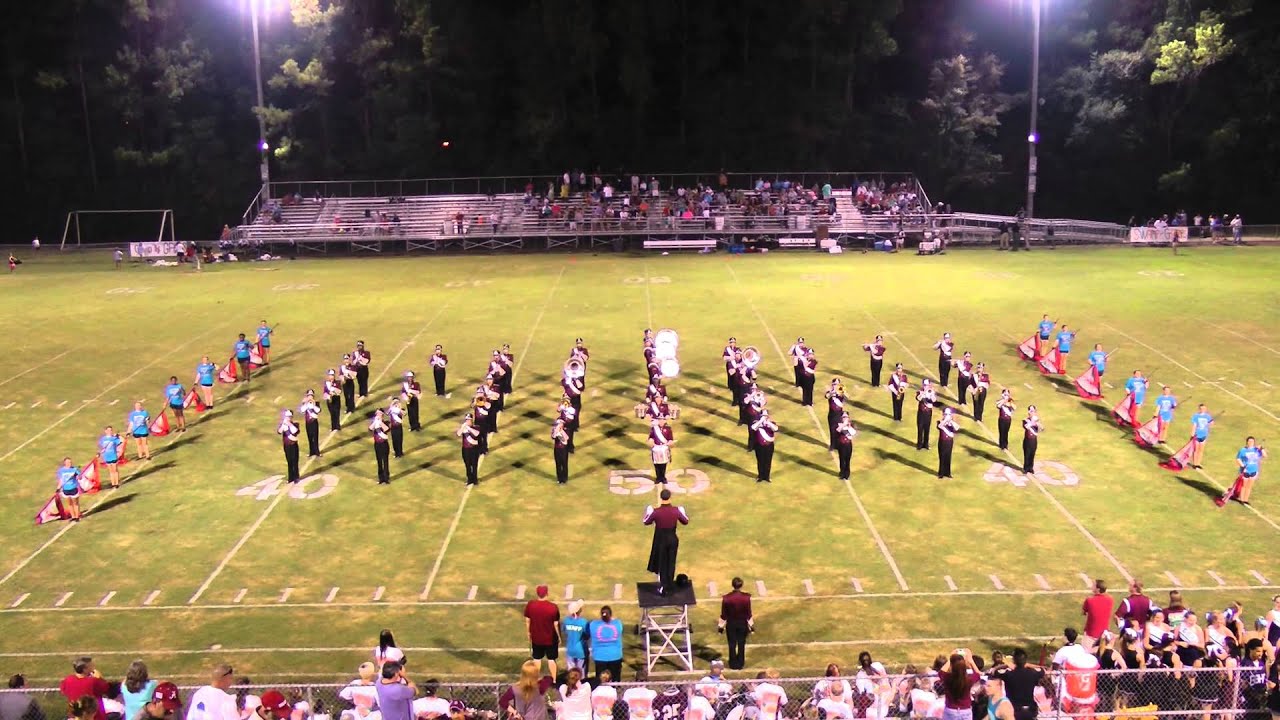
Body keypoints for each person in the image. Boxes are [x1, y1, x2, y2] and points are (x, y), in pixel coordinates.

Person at [644, 489, 688, 594]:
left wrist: (648, 512)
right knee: (671, 563)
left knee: (663, 563)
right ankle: (669, 585)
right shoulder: (676, 510)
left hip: (661, 540)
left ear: (661, 498)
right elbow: (685, 521)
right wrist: (682, 512)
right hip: (673, 539)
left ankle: (663, 587)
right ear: (670, 497)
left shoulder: (656, 512)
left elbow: (646, 521)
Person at [991, 648, 1043, 720]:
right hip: (1030, 709)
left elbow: (994, 671)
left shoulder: (1009, 674)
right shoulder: (1033, 673)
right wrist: (1027, 665)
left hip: (1013, 709)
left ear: (1014, 660)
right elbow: (1042, 669)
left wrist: (1006, 665)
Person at [718, 577, 754, 670]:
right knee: (741, 644)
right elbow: (748, 613)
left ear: (732, 585)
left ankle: (733, 664)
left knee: (732, 644)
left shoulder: (726, 598)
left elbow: (724, 614)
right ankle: (740, 663)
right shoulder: (746, 597)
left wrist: (720, 627)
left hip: (731, 624)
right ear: (741, 585)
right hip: (742, 623)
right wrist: (751, 625)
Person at [938, 651, 980, 720]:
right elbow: (978, 674)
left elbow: (941, 672)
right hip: (965, 710)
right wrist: (971, 661)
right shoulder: (969, 679)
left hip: (950, 710)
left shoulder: (947, 677)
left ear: (952, 666)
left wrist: (950, 659)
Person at [524, 585, 561, 663]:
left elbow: (527, 620)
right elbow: (556, 624)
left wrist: (528, 632)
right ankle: (553, 676)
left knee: (537, 659)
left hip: (536, 638)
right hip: (550, 639)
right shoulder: (553, 607)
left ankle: (535, 675)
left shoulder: (531, 605)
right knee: (551, 660)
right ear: (547, 593)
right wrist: (559, 636)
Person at [588, 607, 624, 683]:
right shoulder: (617, 624)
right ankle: (616, 692)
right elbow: (616, 622)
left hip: (600, 656)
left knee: (600, 681)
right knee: (616, 680)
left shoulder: (594, 625)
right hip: (615, 655)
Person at [1081, 579, 1113, 650]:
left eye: (1093, 585)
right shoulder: (1110, 600)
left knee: (1086, 655)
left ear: (1098, 589)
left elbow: (1083, 612)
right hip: (1104, 635)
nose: (1092, 587)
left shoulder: (1089, 600)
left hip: (1091, 634)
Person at [561, 600, 590, 673]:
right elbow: (587, 635)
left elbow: (564, 631)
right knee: (581, 673)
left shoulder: (566, 621)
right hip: (581, 651)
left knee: (571, 673)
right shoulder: (583, 622)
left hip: (570, 649)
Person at [751, 410, 777, 483]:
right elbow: (753, 428)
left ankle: (767, 477)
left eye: (766, 416)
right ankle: (760, 476)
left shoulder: (772, 423)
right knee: (760, 461)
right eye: (763, 416)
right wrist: (760, 421)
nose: (765, 417)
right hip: (759, 446)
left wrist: (768, 422)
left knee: (768, 461)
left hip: (769, 446)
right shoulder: (756, 423)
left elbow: (776, 429)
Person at [457, 413, 482, 485]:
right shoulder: (464, 428)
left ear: (472, 420)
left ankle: (475, 480)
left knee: (474, 465)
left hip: (474, 449)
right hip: (465, 449)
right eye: (466, 420)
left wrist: (468, 428)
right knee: (467, 465)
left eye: (469, 420)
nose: (467, 421)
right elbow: (458, 434)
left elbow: (476, 433)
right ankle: (469, 479)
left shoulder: (476, 427)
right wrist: (462, 428)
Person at [56, 457, 83, 522]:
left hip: (73, 488)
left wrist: (78, 475)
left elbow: (80, 478)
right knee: (69, 503)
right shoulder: (61, 471)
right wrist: (58, 488)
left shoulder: (74, 469)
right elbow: (61, 480)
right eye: (68, 462)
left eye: (70, 462)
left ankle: (77, 516)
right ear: (65, 463)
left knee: (75, 503)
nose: (69, 463)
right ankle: (73, 516)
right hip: (66, 489)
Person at [648, 418, 674, 484]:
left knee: (663, 464)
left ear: (665, 421)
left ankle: (663, 477)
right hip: (656, 447)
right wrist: (651, 441)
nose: (661, 421)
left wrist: (669, 443)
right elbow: (650, 437)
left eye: (663, 420)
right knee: (656, 464)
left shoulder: (668, 429)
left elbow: (670, 439)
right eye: (660, 420)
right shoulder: (654, 428)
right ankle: (658, 478)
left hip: (664, 448)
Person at [278, 410, 301, 483]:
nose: (288, 418)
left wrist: (289, 424)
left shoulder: (295, 424)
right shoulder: (283, 425)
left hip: (293, 445)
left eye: (289, 417)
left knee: (295, 461)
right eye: (287, 417)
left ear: (291, 417)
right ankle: (290, 477)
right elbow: (279, 431)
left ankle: (296, 477)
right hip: (287, 446)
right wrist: (283, 425)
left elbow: (295, 432)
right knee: (289, 461)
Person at [1188, 404, 1214, 469]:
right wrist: (1192, 435)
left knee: (1201, 450)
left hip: (1204, 435)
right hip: (1197, 434)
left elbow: (1211, 424)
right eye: (1202, 409)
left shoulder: (1208, 416)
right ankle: (1194, 463)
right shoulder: (1196, 416)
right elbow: (1194, 426)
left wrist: (1211, 423)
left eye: (1204, 409)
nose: (1203, 410)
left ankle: (1198, 463)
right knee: (1196, 450)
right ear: (1199, 409)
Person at [370, 409, 391, 485]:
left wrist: (380, 422)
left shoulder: (386, 422)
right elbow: (370, 429)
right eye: (376, 414)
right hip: (377, 445)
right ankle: (381, 478)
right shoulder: (374, 423)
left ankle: (386, 479)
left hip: (384, 444)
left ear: (382, 415)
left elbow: (387, 429)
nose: (377, 415)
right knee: (379, 462)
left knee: (385, 461)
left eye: (379, 414)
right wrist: (375, 422)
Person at [937, 406, 958, 479]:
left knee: (948, 457)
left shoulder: (952, 423)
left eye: (948, 414)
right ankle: (941, 473)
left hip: (949, 442)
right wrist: (945, 420)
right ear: (943, 414)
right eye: (946, 414)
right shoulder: (940, 421)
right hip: (942, 442)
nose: (947, 416)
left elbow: (957, 428)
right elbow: (940, 426)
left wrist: (951, 421)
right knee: (942, 457)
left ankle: (948, 473)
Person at [834, 413, 856, 480]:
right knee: (842, 459)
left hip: (848, 445)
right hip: (841, 445)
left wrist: (849, 427)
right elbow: (837, 430)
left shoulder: (851, 425)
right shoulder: (839, 424)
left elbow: (854, 433)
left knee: (847, 460)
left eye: (846, 417)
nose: (845, 418)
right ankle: (842, 474)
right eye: (843, 417)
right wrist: (844, 425)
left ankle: (847, 474)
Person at [824, 379, 846, 449]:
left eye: (837, 383)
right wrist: (832, 392)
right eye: (834, 383)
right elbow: (826, 396)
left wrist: (840, 391)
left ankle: (838, 444)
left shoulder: (841, 391)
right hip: (832, 414)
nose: (835, 385)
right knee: (832, 430)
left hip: (839, 414)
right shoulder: (830, 392)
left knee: (839, 430)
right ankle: (832, 445)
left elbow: (847, 397)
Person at [916, 379, 937, 450]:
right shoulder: (920, 391)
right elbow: (918, 398)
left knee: (927, 428)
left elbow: (934, 400)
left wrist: (931, 394)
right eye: (924, 385)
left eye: (927, 385)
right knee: (920, 428)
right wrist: (923, 393)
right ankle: (919, 445)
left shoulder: (931, 391)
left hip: (928, 413)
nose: (926, 386)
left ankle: (926, 444)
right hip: (921, 413)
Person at [299, 391, 321, 458]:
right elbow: (302, 410)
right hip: (308, 423)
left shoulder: (316, 403)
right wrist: (306, 403)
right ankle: (311, 452)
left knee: (315, 436)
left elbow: (318, 411)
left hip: (314, 422)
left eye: (311, 395)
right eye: (309, 395)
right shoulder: (305, 404)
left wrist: (313, 405)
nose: (310, 396)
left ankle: (317, 452)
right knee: (310, 437)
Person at [1022, 406, 1043, 475]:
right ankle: (1025, 468)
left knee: (1032, 454)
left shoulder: (1037, 421)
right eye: (1030, 411)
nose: (1031, 412)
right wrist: (1033, 421)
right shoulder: (1025, 420)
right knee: (1027, 454)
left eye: (1033, 411)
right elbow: (1026, 426)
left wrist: (1037, 423)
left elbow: (1041, 429)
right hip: (1027, 440)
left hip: (1034, 440)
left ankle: (1030, 468)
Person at [552, 419, 572, 484]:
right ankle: (559, 479)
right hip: (557, 449)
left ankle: (564, 479)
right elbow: (553, 436)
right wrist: (556, 429)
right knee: (558, 464)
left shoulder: (566, 430)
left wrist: (561, 430)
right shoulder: (554, 430)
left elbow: (567, 438)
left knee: (564, 464)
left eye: (560, 424)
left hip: (564, 449)